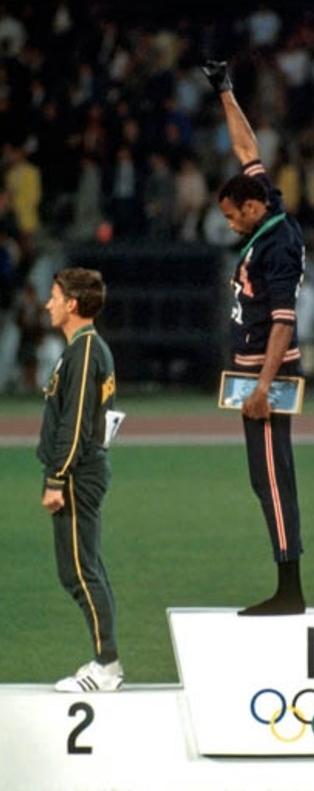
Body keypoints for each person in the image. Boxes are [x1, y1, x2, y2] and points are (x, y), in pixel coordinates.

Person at [202, 60, 306, 616]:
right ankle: (287, 582)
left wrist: (263, 386)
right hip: (253, 370)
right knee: (262, 476)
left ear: (250, 207)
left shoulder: (278, 244)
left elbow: (284, 320)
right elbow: (247, 150)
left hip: (269, 372)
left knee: (272, 475)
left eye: (230, 216)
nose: (229, 224)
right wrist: (226, 91)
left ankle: (290, 588)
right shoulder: (264, 205)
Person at [37, 268, 124, 691]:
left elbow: (73, 425)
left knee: (79, 572)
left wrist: (57, 477)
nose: (48, 303)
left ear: (72, 303)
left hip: (76, 472)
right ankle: (106, 661)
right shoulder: (82, 349)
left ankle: (106, 666)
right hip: (81, 469)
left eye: (54, 296)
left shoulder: (85, 350)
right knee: (83, 568)